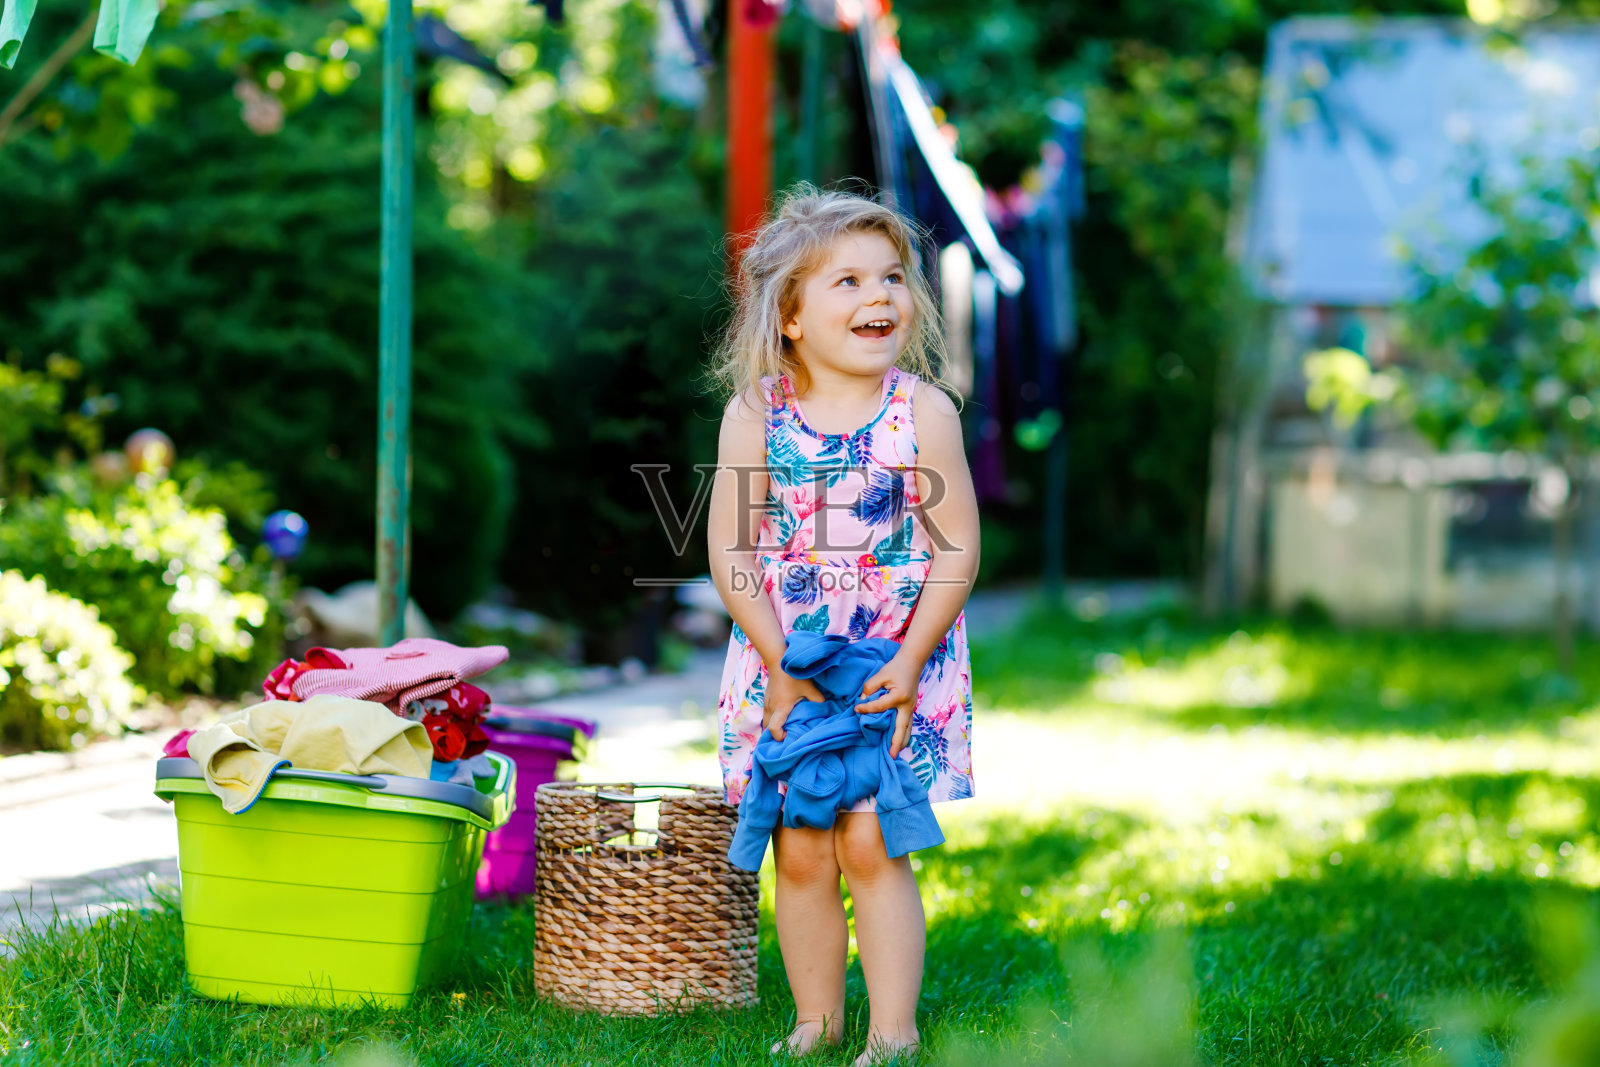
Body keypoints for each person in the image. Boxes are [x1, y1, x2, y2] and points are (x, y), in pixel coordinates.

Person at [705, 185, 980, 1065]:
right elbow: (732, 551)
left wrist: (910, 658)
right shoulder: (756, 414)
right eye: (849, 280)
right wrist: (779, 661)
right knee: (802, 844)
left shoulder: (922, 414)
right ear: (789, 316)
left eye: (894, 277)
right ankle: (816, 1019)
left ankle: (893, 1032)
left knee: (871, 837)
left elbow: (955, 552)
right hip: (785, 663)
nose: (881, 297)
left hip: (894, 663)